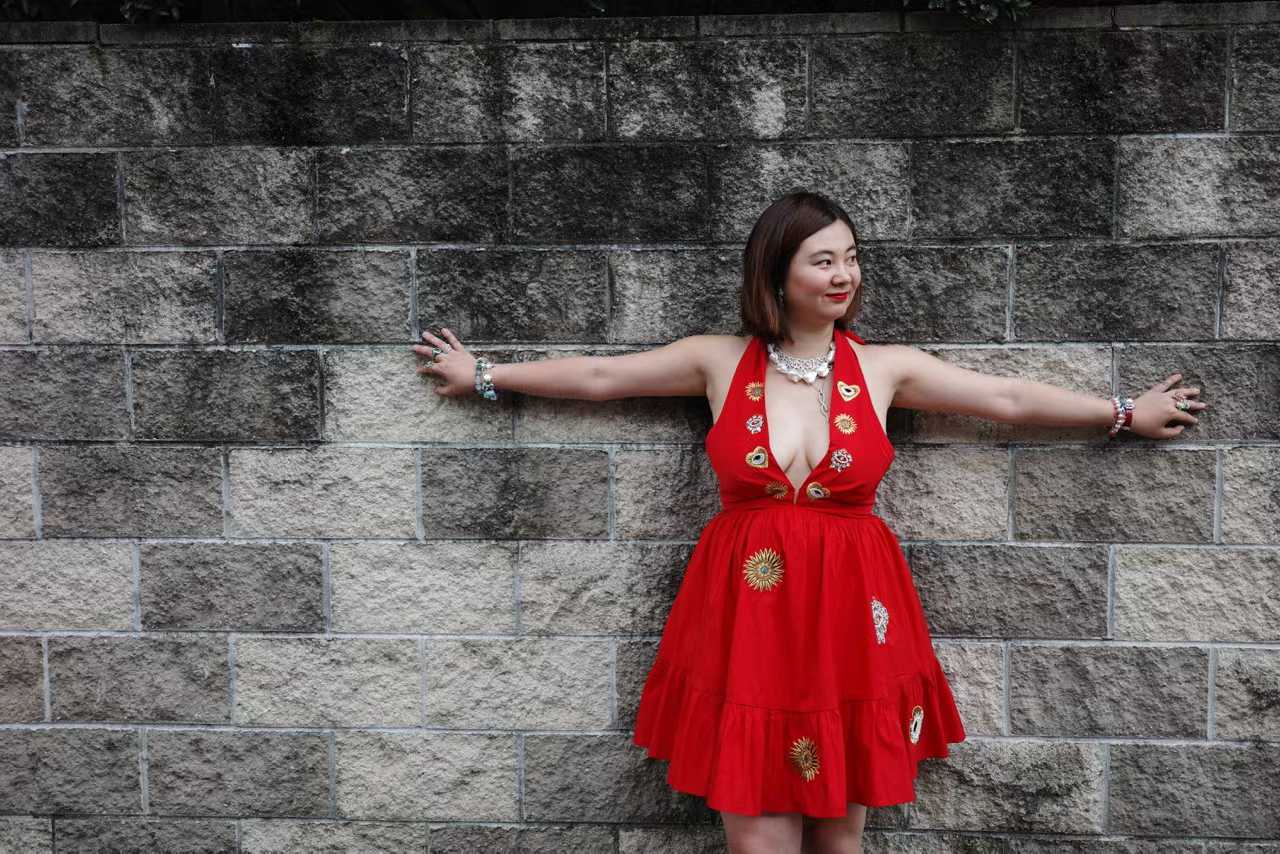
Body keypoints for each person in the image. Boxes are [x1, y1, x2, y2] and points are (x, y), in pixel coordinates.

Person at [410, 191, 1207, 854]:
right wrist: (485, 374)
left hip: (849, 616)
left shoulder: (885, 368)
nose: (844, 275)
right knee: (759, 836)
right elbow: (599, 376)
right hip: (745, 616)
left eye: (851, 258)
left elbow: (1005, 397)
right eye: (824, 260)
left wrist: (1122, 412)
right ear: (777, 272)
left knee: (839, 838)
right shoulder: (718, 360)